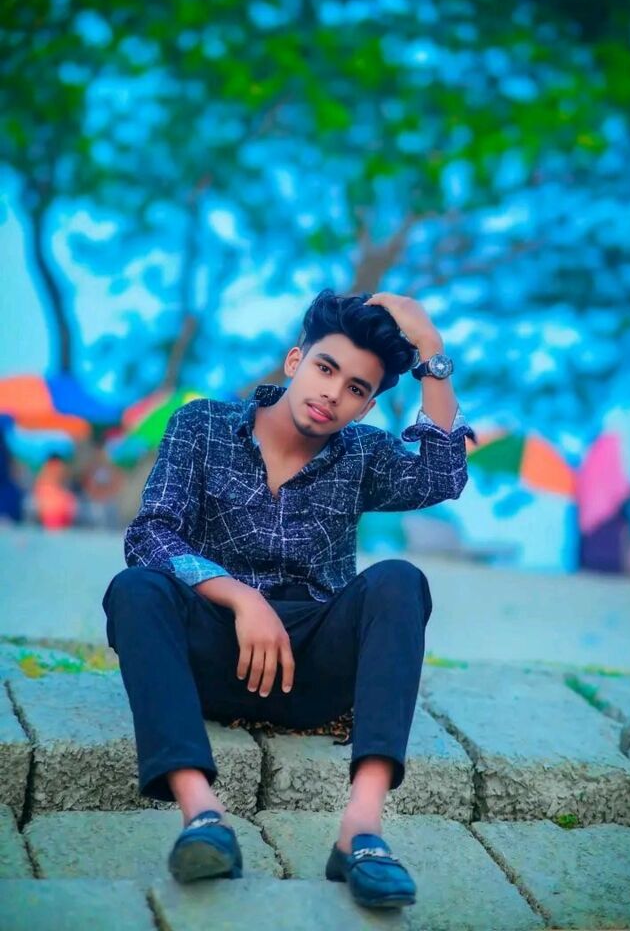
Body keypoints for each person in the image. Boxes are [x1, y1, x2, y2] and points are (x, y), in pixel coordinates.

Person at [102, 288, 473, 909]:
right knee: (135, 589)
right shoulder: (203, 426)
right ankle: (203, 817)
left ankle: (361, 831)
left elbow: (443, 477)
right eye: (326, 368)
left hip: (312, 670)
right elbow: (151, 534)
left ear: (366, 406)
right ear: (295, 360)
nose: (332, 393)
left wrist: (430, 350)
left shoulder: (363, 454)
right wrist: (242, 598)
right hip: (215, 654)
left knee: (399, 580)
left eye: (355, 389)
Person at [32, 452, 78, 530]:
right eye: (53, 469)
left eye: (58, 469)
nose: (56, 472)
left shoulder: (68, 497)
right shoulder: (36, 495)